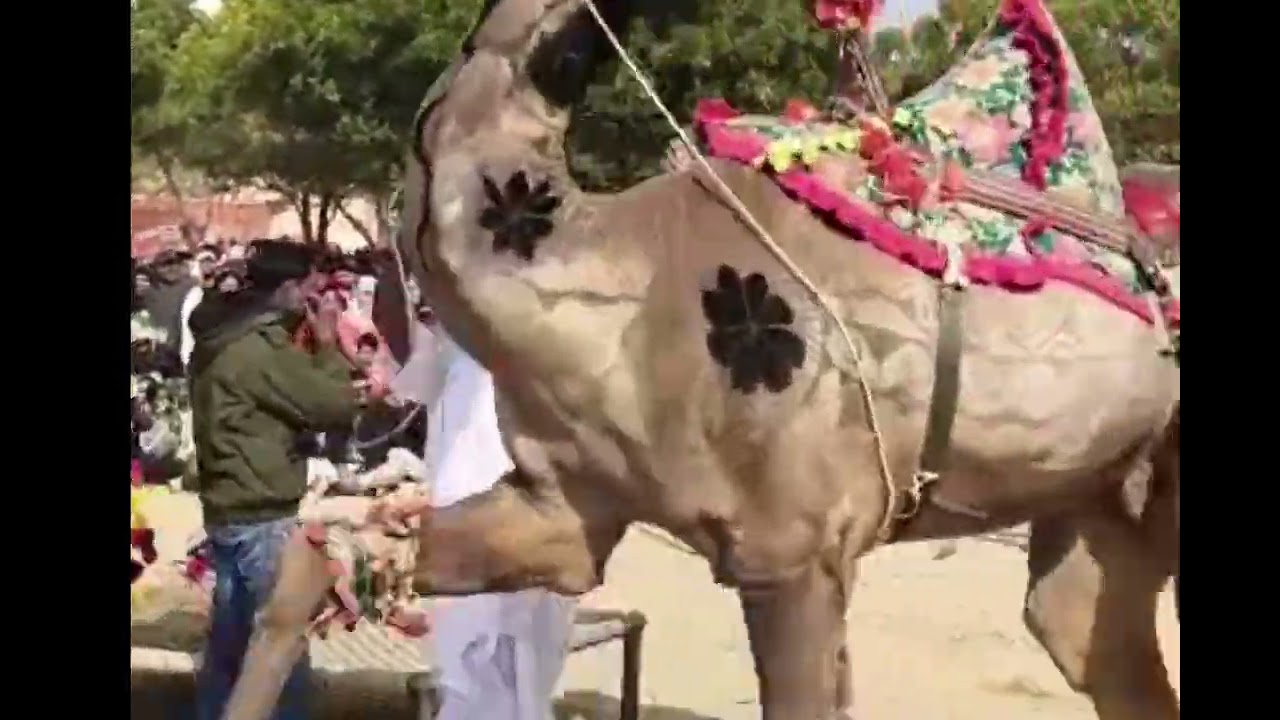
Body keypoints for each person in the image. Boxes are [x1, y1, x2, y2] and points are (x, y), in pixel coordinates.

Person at [189, 239, 362, 720]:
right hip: (263, 518)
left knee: (230, 652)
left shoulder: (222, 336)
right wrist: (327, 344)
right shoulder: (257, 349)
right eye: (309, 288)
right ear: (288, 289)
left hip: (229, 510)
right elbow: (333, 405)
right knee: (278, 651)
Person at [389, 303, 576, 720]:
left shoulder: (514, 361)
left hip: (507, 530)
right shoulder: (456, 354)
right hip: (482, 533)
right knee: (480, 672)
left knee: (511, 667)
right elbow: (408, 386)